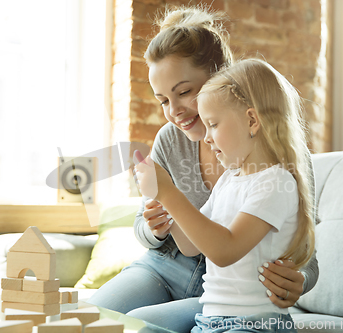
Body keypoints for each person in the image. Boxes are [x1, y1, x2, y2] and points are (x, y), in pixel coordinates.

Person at [87, 6, 318, 333]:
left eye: (184, 92)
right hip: (163, 270)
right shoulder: (170, 140)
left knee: (134, 326)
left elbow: (304, 248)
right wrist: (156, 225)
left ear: (221, 78)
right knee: (87, 319)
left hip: (229, 295)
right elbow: (153, 229)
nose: (174, 111)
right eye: (163, 100)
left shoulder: (282, 158)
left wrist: (300, 279)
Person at [134, 58, 315, 332]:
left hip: (256, 325)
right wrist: (165, 210)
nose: (206, 138)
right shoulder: (230, 179)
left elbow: (224, 251)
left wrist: (170, 194)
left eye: (213, 125)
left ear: (251, 120)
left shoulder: (276, 182)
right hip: (210, 319)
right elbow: (191, 247)